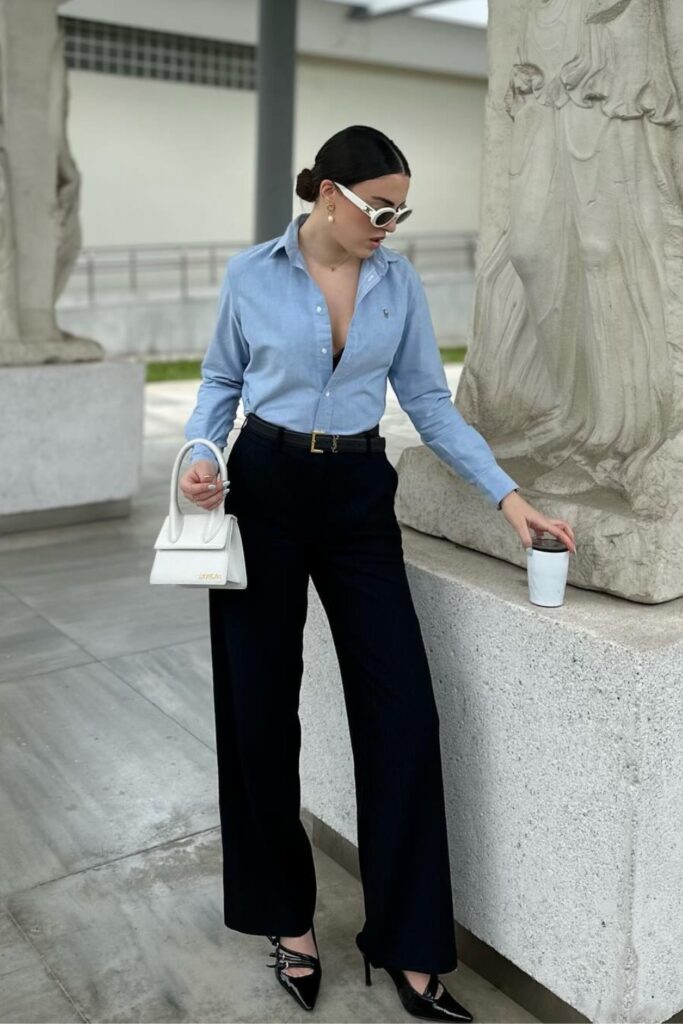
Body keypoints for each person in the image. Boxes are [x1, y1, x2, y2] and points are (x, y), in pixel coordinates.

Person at [180, 124, 576, 1020]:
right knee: (258, 711)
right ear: (329, 196)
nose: (389, 226)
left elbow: (428, 401)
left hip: (359, 494)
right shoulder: (251, 275)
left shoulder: (398, 284)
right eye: (379, 208)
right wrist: (200, 455)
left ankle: (409, 944)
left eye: (400, 212)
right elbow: (219, 383)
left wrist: (509, 501)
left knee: (402, 712)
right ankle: (287, 922)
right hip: (263, 486)